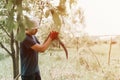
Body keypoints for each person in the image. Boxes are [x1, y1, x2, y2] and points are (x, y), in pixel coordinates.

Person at [20, 16, 58, 80]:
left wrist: (49, 36)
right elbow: (41, 49)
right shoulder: (24, 38)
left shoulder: (33, 36)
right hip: (28, 74)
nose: (37, 30)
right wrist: (51, 38)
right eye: (35, 29)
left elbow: (41, 46)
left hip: (35, 70)